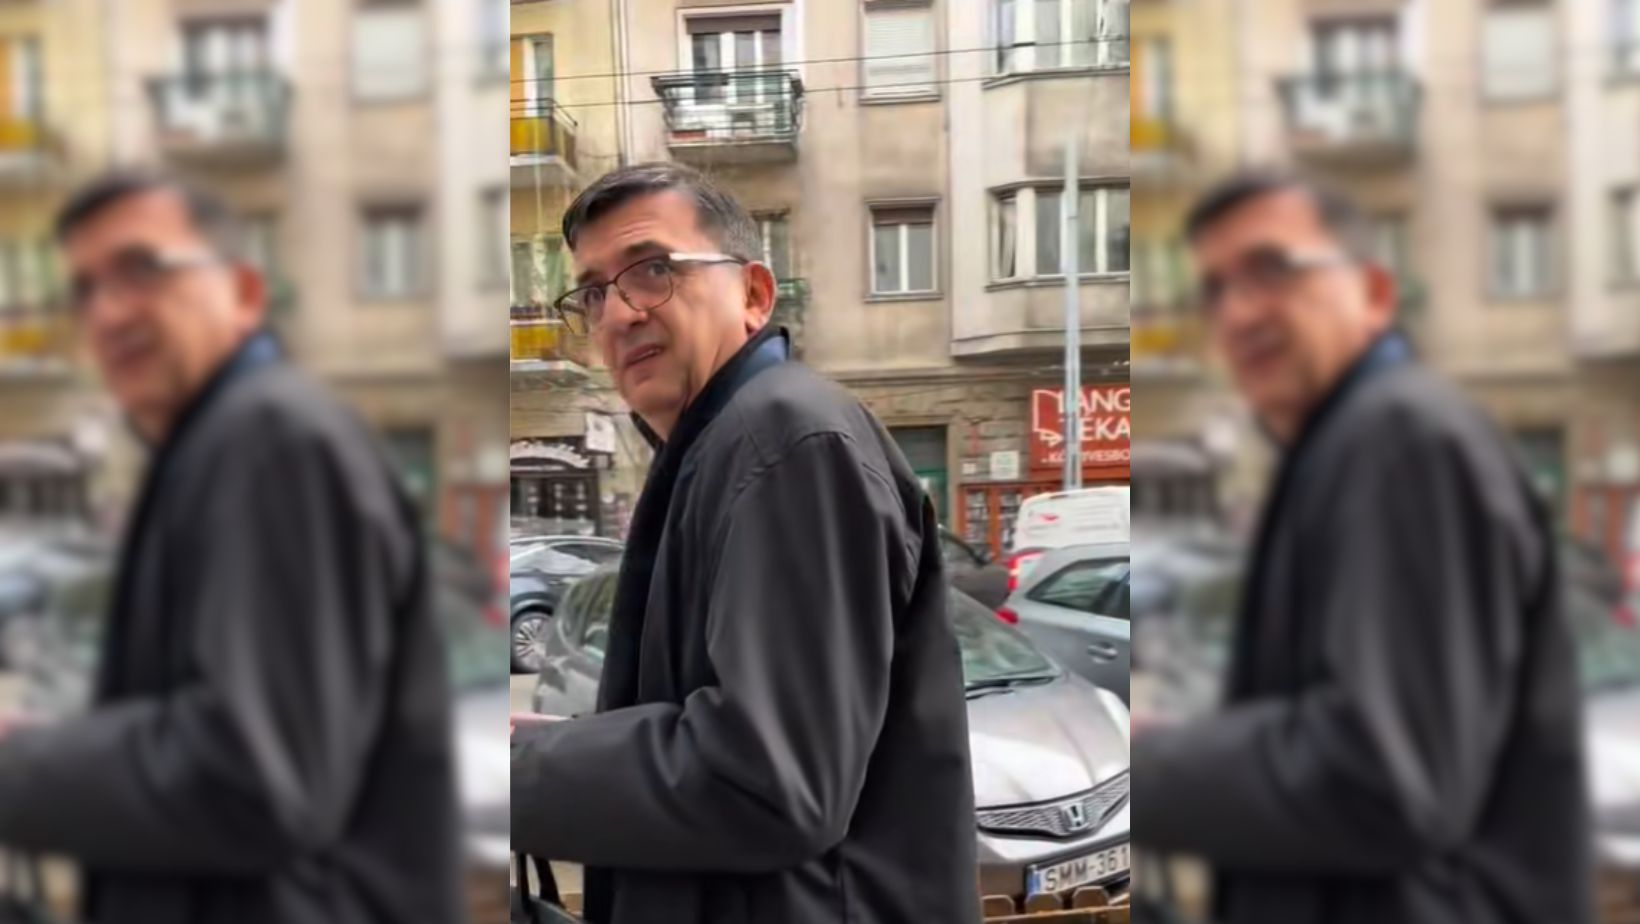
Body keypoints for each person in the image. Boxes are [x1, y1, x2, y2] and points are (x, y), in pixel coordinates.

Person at [510, 162, 979, 924]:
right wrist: (557, 748)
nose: (618, 314)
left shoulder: (784, 440)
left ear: (754, 295)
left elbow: (768, 779)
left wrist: (509, 776)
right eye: (593, 293)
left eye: (653, 270)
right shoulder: (721, 446)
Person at [0, 173, 464, 923]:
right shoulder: (216, 442)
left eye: (142, 269)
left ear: (245, 292)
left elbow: (254, 776)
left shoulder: (272, 438)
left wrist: (18, 767)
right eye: (85, 290)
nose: (108, 312)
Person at [1132, 172, 1591, 923]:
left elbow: (1383, 777)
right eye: (1214, 290)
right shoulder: (1347, 441)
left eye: (1272, 269)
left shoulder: (1401, 438)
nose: (1238, 313)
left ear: (1375, 293)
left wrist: (1145, 769)